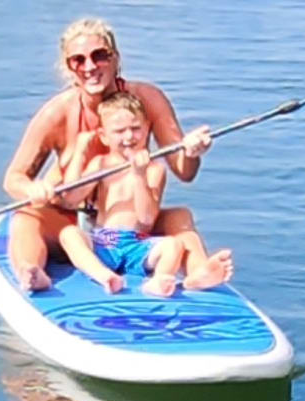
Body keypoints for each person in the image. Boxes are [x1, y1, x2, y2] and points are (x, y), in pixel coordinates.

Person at [0, 15, 214, 294]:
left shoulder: (147, 100)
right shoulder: (57, 112)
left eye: (99, 56)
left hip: (132, 223)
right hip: (71, 219)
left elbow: (184, 170)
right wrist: (34, 188)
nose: (90, 67)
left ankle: (200, 273)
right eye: (78, 60)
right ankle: (33, 272)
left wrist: (192, 150)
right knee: (26, 216)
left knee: (179, 218)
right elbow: (13, 179)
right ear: (68, 68)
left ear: (115, 59)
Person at [53, 88, 232, 296]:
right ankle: (103, 275)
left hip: (138, 243)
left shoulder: (154, 169)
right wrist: (80, 153)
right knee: (69, 235)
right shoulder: (101, 163)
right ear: (104, 136)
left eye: (135, 128)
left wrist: (139, 176)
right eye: (119, 131)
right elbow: (70, 198)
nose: (129, 136)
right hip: (104, 241)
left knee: (173, 245)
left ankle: (159, 281)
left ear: (147, 129)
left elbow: (146, 220)